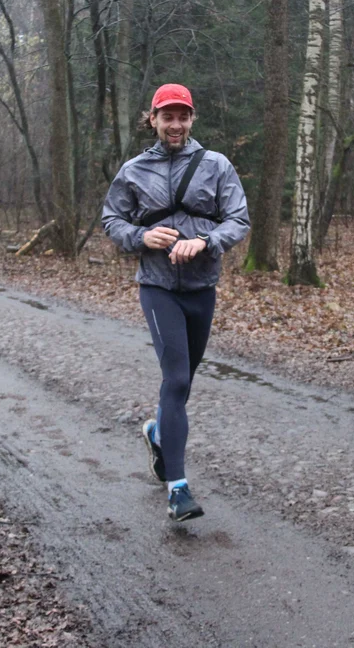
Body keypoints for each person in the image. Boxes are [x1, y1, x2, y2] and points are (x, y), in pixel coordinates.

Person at [102, 84, 250, 521]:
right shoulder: (133, 171)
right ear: (153, 119)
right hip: (158, 286)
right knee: (177, 378)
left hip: (202, 288)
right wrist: (140, 236)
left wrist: (206, 242)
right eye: (167, 117)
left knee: (182, 384)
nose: (176, 124)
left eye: (183, 116)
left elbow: (238, 219)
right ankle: (178, 488)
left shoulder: (217, 166)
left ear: (192, 119)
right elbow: (111, 218)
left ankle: (157, 433)